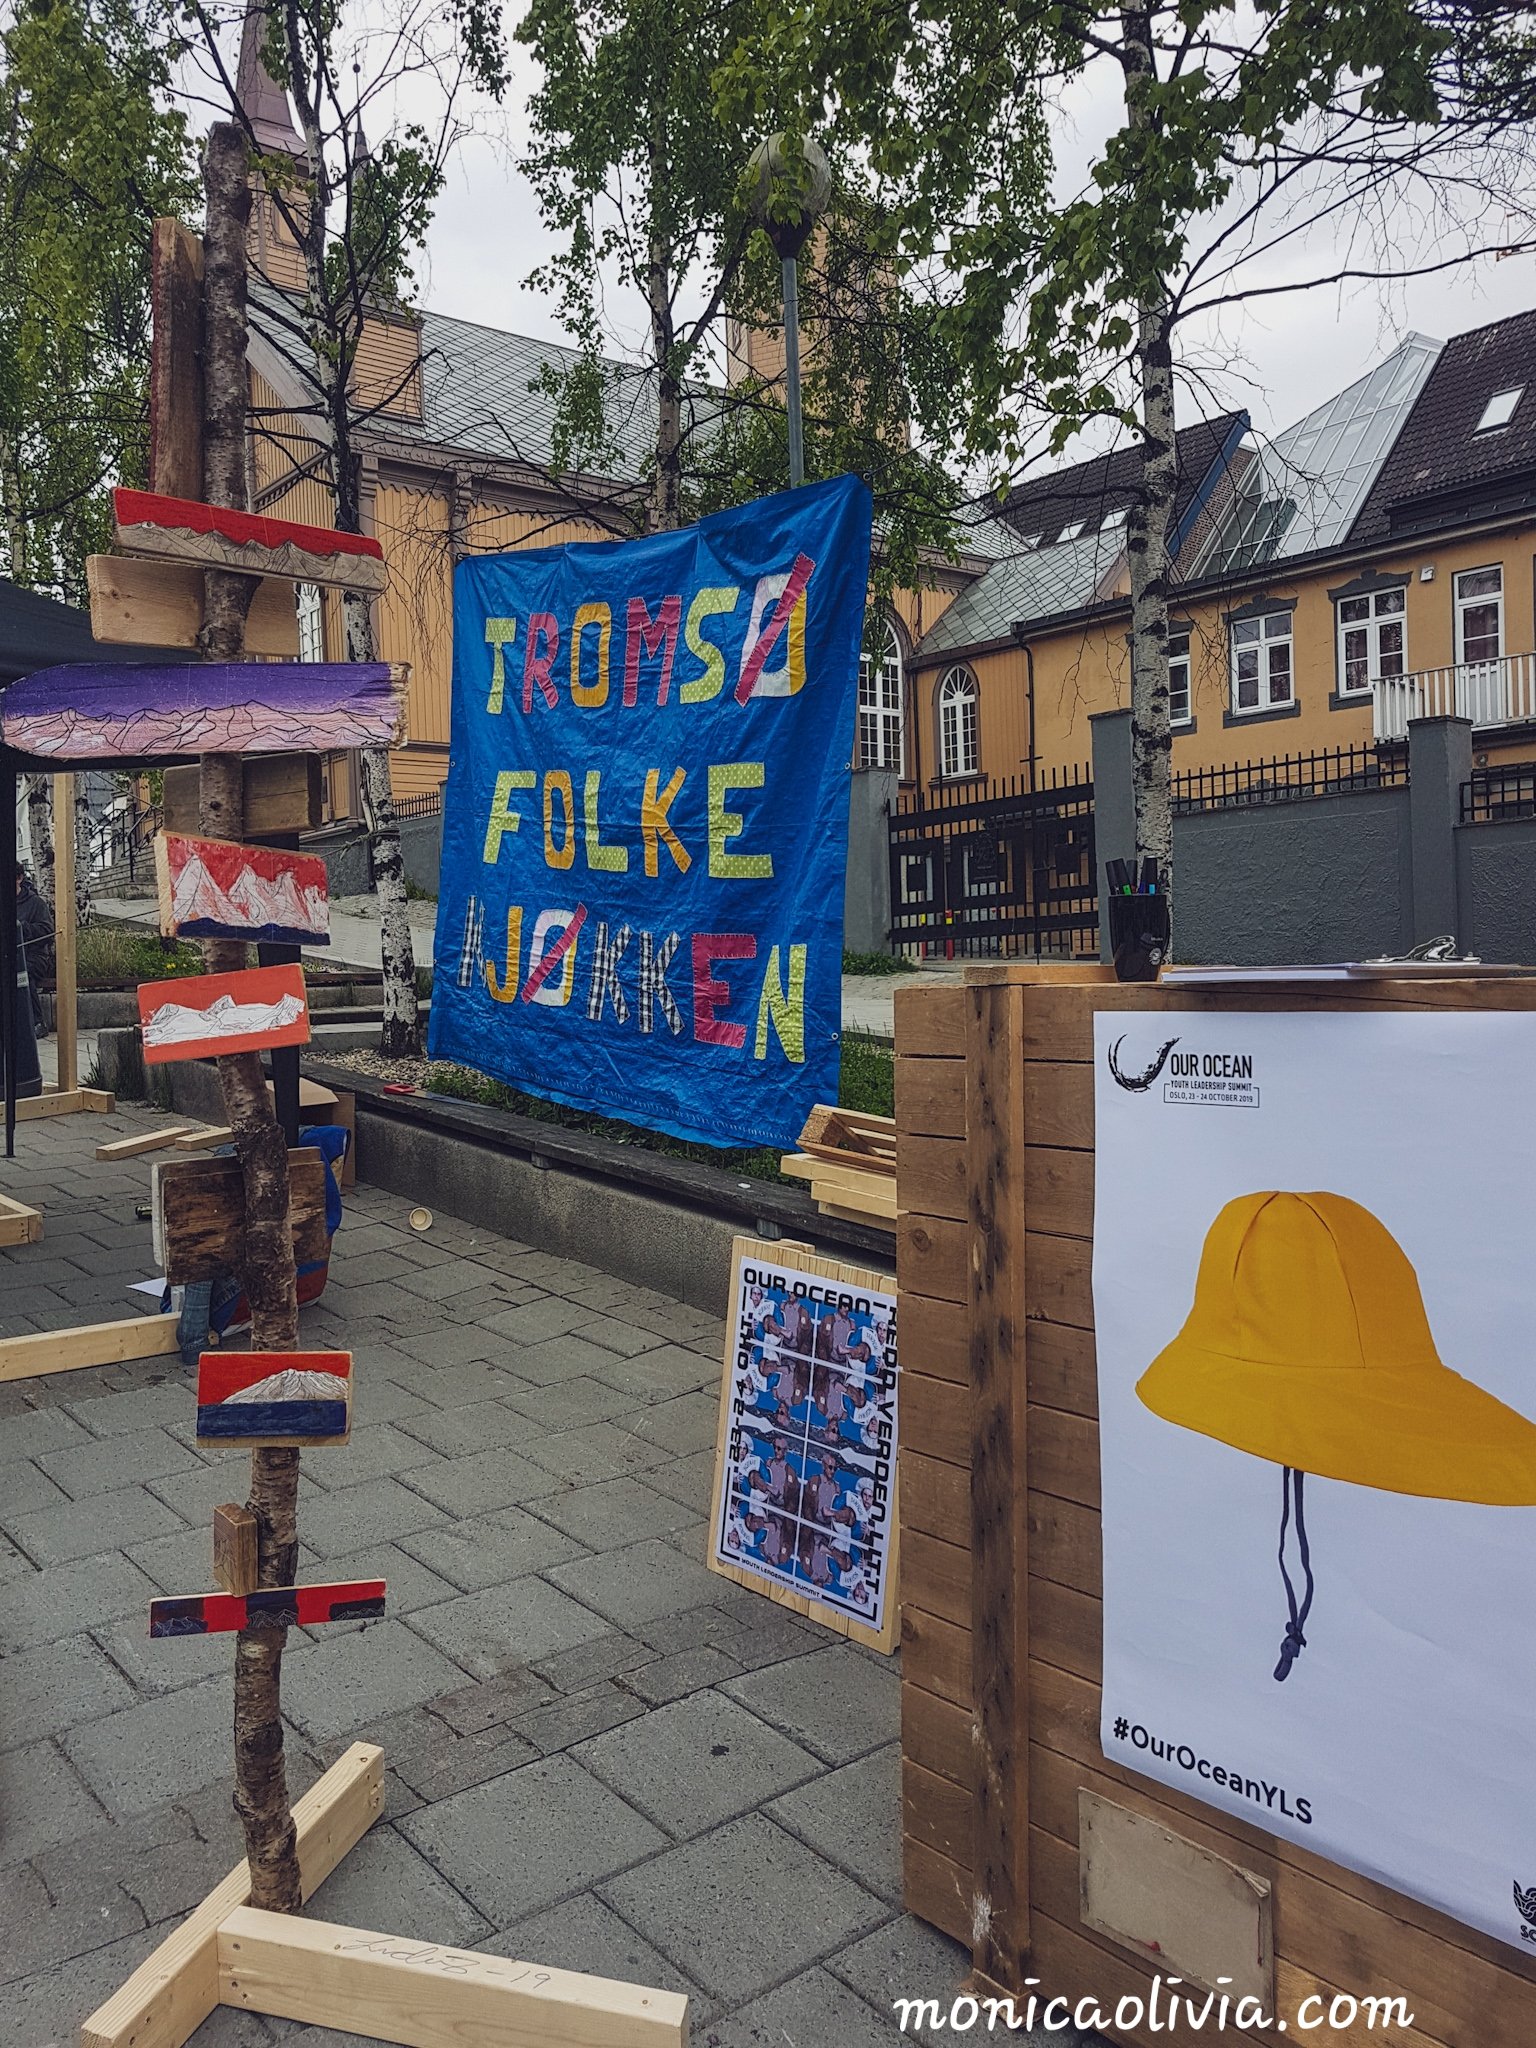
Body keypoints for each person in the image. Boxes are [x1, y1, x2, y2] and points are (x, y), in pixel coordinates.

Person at [15, 871, 52, 1036]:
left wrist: (22, 928)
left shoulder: (36, 903)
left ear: (19, 878)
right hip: (9, 957)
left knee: (22, 974)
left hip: (34, 956)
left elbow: (48, 931)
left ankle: (37, 1022)